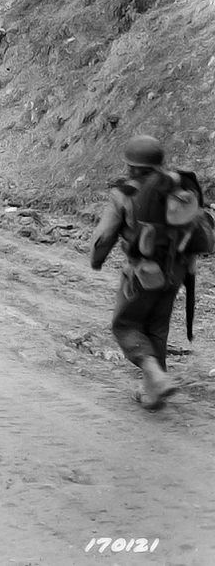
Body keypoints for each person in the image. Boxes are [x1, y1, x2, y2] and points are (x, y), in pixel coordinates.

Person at [91, 134, 214, 410]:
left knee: (125, 326)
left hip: (142, 274)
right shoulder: (175, 187)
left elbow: (103, 238)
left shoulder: (124, 194)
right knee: (157, 328)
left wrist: (96, 260)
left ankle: (156, 375)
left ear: (131, 166)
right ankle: (154, 391)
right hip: (176, 272)